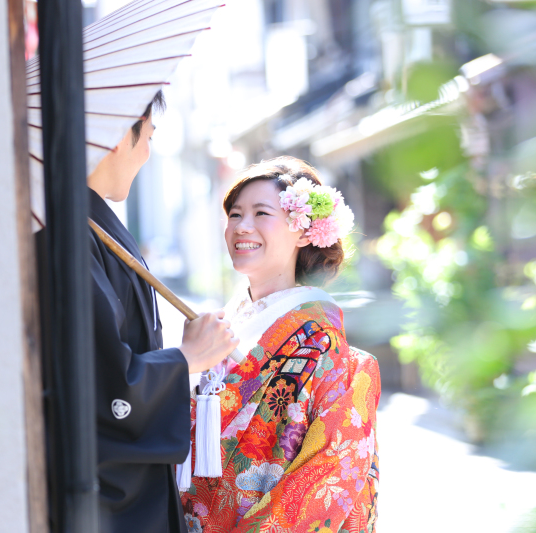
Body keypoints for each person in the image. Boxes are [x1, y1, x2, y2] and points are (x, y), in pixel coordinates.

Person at [180, 157, 380, 533]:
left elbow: (327, 478)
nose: (242, 226)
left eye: (260, 213)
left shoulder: (324, 345)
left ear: (304, 231)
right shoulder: (219, 328)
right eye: (235, 214)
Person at [87, 91, 240, 533]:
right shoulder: (71, 230)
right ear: (119, 134)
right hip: (105, 492)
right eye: (148, 136)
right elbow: (103, 378)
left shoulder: (91, 221)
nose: (148, 153)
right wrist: (186, 358)